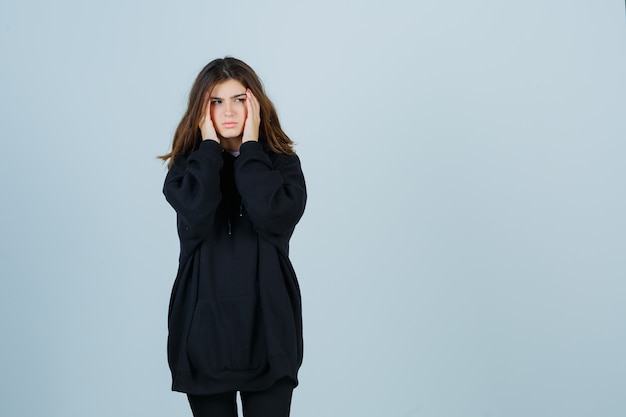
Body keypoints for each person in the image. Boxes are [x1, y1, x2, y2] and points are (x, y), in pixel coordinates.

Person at [159, 57, 307, 417]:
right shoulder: (187, 168)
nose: (228, 111)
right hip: (203, 333)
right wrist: (208, 148)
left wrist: (252, 147)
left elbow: (272, 212)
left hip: (269, 331)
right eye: (216, 101)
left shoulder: (282, 165)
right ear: (200, 109)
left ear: (255, 104)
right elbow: (196, 210)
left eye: (239, 99)